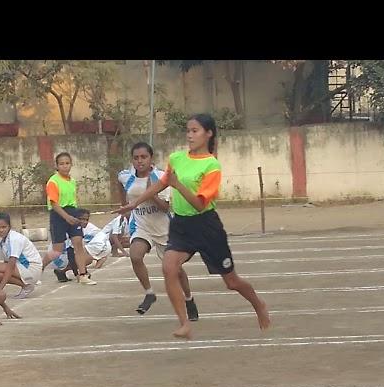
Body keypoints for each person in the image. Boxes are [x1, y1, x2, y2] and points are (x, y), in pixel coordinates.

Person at [113, 114, 270, 338]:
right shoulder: (177, 158)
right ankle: (185, 322)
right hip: (181, 225)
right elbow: (160, 184)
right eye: (188, 130)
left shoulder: (211, 165)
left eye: (195, 131)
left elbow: (199, 204)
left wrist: (177, 185)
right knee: (169, 268)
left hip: (206, 226)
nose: (189, 135)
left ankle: (258, 303)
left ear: (208, 134)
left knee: (232, 282)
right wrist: (134, 203)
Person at [117, 142, 199, 318]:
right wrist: (124, 206)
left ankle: (189, 299)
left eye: (144, 157)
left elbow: (165, 208)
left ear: (150, 158)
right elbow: (120, 183)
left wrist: (151, 193)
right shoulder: (126, 176)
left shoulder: (162, 177)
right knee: (135, 255)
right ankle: (149, 293)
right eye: (136, 158)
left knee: (175, 269)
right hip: (141, 225)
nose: (140, 161)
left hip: (163, 228)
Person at [40, 152, 96, 285]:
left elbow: (73, 201)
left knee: (78, 244)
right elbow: (54, 203)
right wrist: (66, 217)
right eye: (61, 164)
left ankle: (82, 275)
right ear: (57, 166)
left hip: (72, 212)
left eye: (67, 163)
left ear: (71, 164)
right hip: (59, 214)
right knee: (57, 250)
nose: (65, 166)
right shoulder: (53, 181)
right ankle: (38, 270)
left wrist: (78, 217)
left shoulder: (72, 181)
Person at [0, 212, 43, 298]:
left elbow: (10, 266)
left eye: (4, 227)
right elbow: (6, 262)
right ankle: (26, 285)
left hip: (31, 268)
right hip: (20, 268)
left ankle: (28, 283)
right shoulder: (1, 242)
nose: (1, 230)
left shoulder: (14, 238)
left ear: (9, 226)